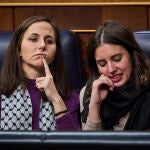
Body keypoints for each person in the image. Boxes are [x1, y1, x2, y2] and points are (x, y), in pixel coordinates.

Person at [0, 16, 81, 131]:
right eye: (33, 39)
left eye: (49, 41)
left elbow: (74, 143)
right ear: (18, 49)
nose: (43, 45)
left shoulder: (69, 96)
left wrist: (56, 99)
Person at [80, 20, 150, 131]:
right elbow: (89, 145)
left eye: (117, 59)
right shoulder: (89, 92)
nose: (111, 69)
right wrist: (95, 105)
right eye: (102, 64)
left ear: (132, 55)